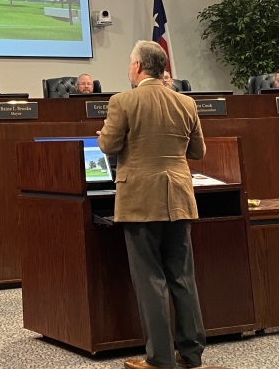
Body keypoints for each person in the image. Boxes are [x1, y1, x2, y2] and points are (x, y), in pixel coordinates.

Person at [98, 41, 206, 369]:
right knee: (182, 277)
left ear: (138, 67)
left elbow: (109, 144)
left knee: (150, 280)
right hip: (179, 197)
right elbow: (198, 152)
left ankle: (160, 358)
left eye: (130, 62)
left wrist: (103, 134)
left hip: (140, 200)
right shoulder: (186, 102)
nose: (129, 67)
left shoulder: (123, 101)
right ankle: (191, 354)